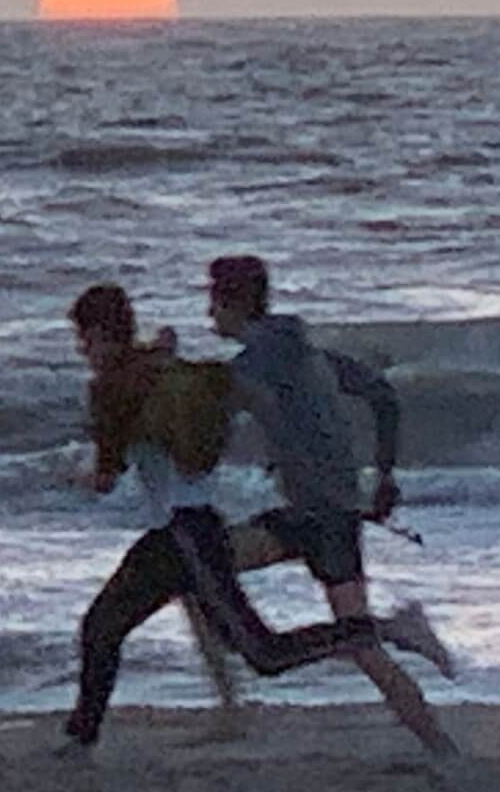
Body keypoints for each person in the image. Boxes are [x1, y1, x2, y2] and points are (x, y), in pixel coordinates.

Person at [62, 282, 382, 753]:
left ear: (101, 334)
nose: (81, 350)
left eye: (84, 339)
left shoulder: (112, 388)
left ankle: (382, 630)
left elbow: (107, 477)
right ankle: (80, 741)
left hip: (187, 537)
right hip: (178, 535)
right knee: (101, 628)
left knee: (263, 654)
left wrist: (75, 476)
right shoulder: (161, 368)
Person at [208, 255, 460, 759]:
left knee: (360, 641)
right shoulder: (306, 350)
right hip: (318, 513)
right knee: (198, 566)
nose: (208, 315)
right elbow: (382, 395)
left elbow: (214, 395)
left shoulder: (262, 356)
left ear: (233, 304)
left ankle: (404, 635)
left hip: (324, 519)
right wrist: (385, 474)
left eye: (212, 302)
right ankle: (440, 748)